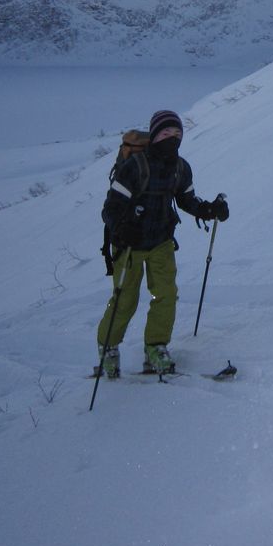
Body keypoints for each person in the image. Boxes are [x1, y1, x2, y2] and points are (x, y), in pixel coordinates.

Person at [96, 110, 229, 377]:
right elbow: (110, 209)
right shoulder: (134, 167)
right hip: (129, 244)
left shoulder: (180, 167)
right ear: (156, 135)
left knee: (165, 295)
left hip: (161, 242)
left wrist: (209, 210)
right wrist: (122, 227)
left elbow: (186, 200)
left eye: (177, 134)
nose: (173, 138)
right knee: (125, 300)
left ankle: (156, 348)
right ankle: (108, 348)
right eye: (167, 133)